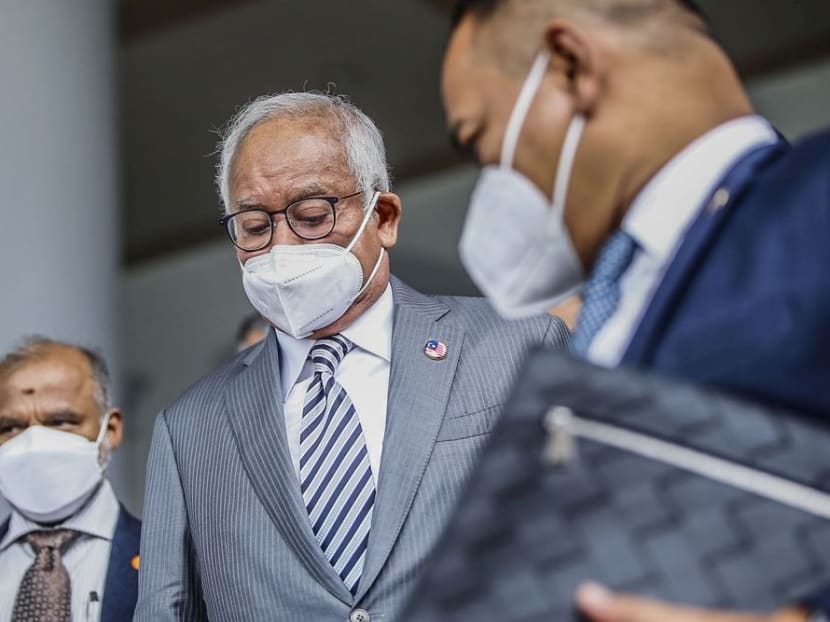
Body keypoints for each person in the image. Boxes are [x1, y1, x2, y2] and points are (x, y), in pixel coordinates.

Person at [442, 1, 830, 621]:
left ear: (571, 66)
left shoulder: (813, 206)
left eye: (477, 139)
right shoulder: (607, 301)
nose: (489, 176)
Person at [134, 92, 570, 622]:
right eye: (254, 226)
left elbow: (586, 538)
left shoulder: (516, 349)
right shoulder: (189, 429)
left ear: (383, 217)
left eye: (312, 216)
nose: (282, 246)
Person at [0, 338, 140, 622]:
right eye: (11, 427)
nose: (35, 442)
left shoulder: (175, 562)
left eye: (60, 421)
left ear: (111, 429)